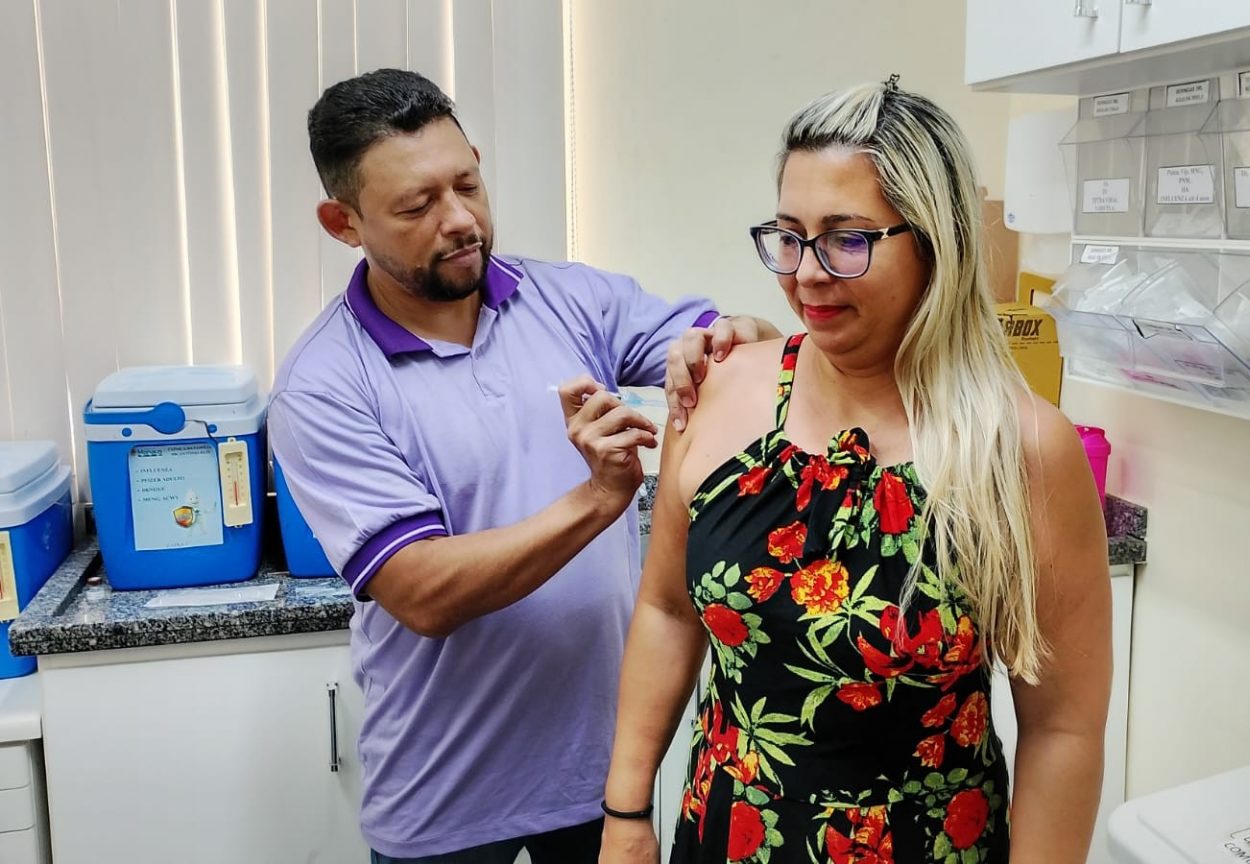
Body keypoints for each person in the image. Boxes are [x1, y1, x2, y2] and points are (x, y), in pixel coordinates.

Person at [267, 68, 778, 863]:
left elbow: (747, 356)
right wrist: (596, 499)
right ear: (344, 223)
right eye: (417, 206)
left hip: (605, 783)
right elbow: (422, 591)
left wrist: (741, 338)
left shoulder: (572, 300)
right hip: (443, 801)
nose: (460, 219)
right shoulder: (324, 383)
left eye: (466, 184)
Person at [599, 78, 1112, 863]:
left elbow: (1063, 729)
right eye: (789, 236)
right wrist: (626, 814)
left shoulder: (1021, 448)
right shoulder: (717, 392)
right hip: (730, 836)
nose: (806, 273)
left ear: (934, 240)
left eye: (846, 239)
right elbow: (667, 611)